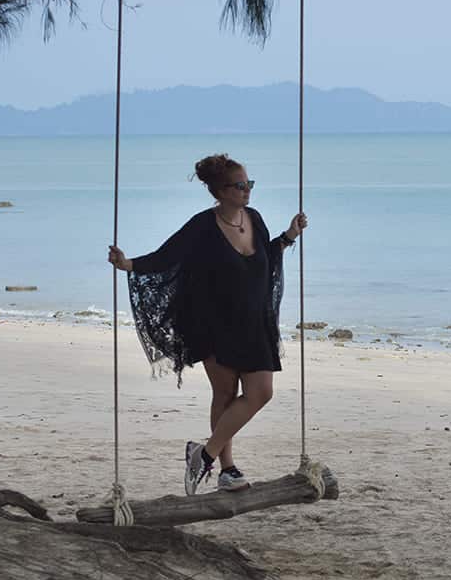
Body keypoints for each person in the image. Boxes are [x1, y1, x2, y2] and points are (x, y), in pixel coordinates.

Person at [107, 153, 307, 495]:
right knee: (225, 394)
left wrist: (288, 235)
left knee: (261, 393)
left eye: (249, 184)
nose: (247, 190)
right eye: (240, 185)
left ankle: (205, 453)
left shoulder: (254, 219)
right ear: (221, 191)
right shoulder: (202, 225)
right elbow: (166, 256)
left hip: (256, 323)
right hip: (215, 325)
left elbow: (266, 258)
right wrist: (127, 264)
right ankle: (227, 470)